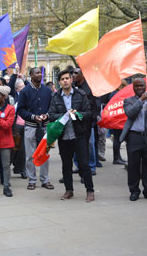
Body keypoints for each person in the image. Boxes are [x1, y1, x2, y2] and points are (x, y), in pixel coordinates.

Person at [48, 69, 95, 202]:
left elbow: (88, 113)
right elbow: (51, 115)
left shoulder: (81, 94)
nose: (65, 81)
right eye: (62, 79)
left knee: (84, 164)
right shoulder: (55, 97)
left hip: (79, 134)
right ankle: (69, 190)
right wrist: (63, 115)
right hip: (64, 136)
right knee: (66, 164)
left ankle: (90, 190)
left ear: (71, 80)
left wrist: (77, 113)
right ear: (60, 82)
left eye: (67, 78)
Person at [17, 67, 53, 190]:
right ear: (31, 75)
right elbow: (20, 110)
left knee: (45, 153)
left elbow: (52, 107)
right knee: (30, 155)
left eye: (40, 73)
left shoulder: (48, 91)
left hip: (44, 127)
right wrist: (33, 117)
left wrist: (47, 115)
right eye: (36, 73)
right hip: (30, 127)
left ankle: (45, 179)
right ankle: (32, 180)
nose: (39, 75)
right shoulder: (25, 91)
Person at [12, 78, 27, 179]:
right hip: (16, 125)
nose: (23, 89)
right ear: (17, 89)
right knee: (14, 148)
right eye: (21, 87)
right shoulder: (13, 97)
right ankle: (12, 166)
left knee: (23, 149)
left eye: (24, 87)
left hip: (26, 124)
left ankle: (22, 169)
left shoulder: (27, 95)